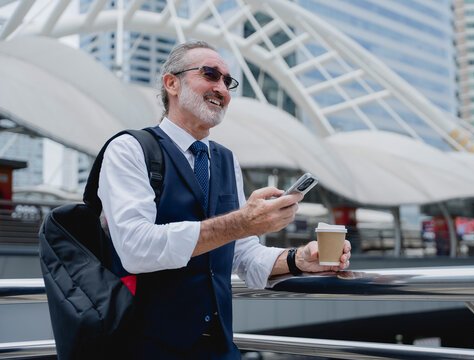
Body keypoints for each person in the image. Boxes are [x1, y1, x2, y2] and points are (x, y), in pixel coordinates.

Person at [98, 40, 351, 360]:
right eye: (210, 75)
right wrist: (242, 221)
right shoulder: (130, 149)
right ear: (171, 83)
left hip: (220, 348)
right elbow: (136, 249)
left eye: (227, 81)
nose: (222, 88)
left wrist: (298, 259)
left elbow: (242, 254)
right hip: (145, 348)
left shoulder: (224, 160)